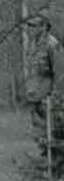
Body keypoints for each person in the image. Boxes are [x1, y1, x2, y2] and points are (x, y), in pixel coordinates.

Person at [25, 14, 64, 171]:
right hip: (34, 94)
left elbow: (59, 72)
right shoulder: (32, 44)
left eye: (33, 26)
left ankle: (54, 166)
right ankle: (44, 161)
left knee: (51, 131)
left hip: (48, 98)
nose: (30, 29)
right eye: (29, 25)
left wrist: (55, 97)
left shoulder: (52, 45)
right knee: (39, 131)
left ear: (43, 27)